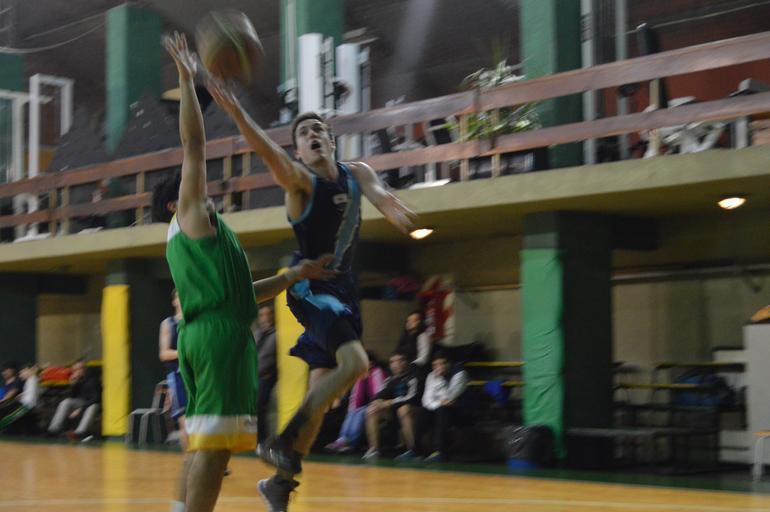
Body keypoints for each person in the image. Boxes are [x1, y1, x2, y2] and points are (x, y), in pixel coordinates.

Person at [208, 67, 416, 508]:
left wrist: (397, 211)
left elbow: (381, 195)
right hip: (311, 288)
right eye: (304, 133)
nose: (313, 135)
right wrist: (237, 112)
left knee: (321, 397)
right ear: (299, 151)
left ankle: (279, 483)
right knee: (357, 363)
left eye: (319, 129)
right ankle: (281, 441)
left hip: (345, 291)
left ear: (331, 140)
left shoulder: (357, 172)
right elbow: (266, 151)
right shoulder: (299, 182)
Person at [157, 33, 337, 512]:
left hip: (214, 332)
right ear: (175, 202)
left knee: (202, 442)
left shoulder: (205, 238)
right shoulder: (190, 214)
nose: (203, 186)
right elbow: (194, 144)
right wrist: (187, 79)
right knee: (214, 451)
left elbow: (243, 294)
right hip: (218, 340)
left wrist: (294, 275)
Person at [325, 351, 387, 453]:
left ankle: (350, 443)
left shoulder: (377, 372)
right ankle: (341, 440)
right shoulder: (360, 377)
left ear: (370, 363)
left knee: (360, 411)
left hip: (381, 406)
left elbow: (379, 395)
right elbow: (355, 400)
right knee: (353, 412)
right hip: (366, 407)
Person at [363, 352, 420, 461]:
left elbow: (413, 398)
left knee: (403, 409)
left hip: (416, 409)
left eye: (399, 361)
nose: (395, 364)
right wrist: (377, 401)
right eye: (392, 362)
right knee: (372, 410)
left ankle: (413, 451)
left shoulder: (414, 376)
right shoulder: (390, 380)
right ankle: (374, 450)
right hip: (394, 410)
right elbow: (380, 394)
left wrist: (390, 402)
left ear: (405, 362)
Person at [416, 353, 469, 462]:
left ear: (449, 364)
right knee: (422, 411)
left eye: (441, 364)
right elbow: (426, 400)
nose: (438, 367)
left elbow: (449, 397)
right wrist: (439, 403)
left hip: (460, 411)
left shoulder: (460, 374)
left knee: (443, 411)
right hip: (439, 408)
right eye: (435, 365)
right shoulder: (431, 375)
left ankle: (440, 452)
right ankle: (415, 450)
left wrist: (440, 379)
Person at [159, 288, 188, 450]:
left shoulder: (195, 322)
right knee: (185, 421)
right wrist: (184, 353)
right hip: (177, 377)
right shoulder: (168, 323)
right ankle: (190, 459)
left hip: (196, 375)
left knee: (200, 421)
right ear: (174, 301)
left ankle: (201, 457)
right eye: (179, 296)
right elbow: (164, 354)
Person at [46, 360, 100, 440]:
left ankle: (79, 433)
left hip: (91, 403)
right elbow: (71, 397)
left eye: (78, 369)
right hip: (80, 402)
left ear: (84, 369)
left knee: (93, 406)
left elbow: (96, 399)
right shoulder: (77, 379)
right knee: (65, 402)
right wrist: (73, 384)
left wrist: (80, 410)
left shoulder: (92, 379)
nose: (76, 371)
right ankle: (53, 430)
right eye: (74, 370)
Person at [255, 304, 278, 448]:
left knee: (259, 406)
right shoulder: (256, 334)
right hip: (253, 377)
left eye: (268, 314)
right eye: (262, 315)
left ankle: (262, 440)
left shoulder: (278, 334)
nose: (265, 318)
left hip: (267, 377)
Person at [0, 362, 40, 433]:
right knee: (5, 409)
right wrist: (22, 394)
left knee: (9, 417)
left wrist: (34, 369)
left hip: (26, 406)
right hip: (22, 404)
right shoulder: (29, 380)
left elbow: (33, 394)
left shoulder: (33, 379)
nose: (21, 375)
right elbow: (30, 391)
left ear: (29, 370)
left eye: (22, 372)